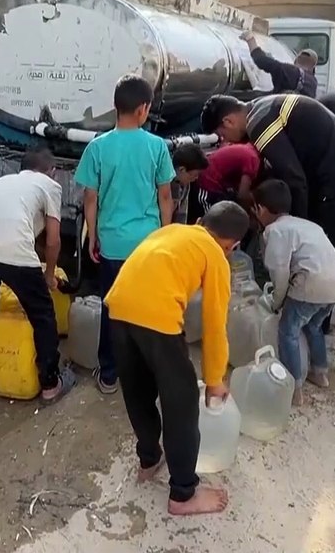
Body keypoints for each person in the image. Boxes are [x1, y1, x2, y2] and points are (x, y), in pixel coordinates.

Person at [104, 201, 250, 516]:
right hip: (157, 318)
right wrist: (214, 380)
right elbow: (215, 325)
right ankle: (183, 494)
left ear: (200, 221)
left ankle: (149, 459)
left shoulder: (173, 231)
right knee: (181, 404)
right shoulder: (216, 256)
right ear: (232, 245)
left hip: (116, 308)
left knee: (139, 392)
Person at [200, 92, 335, 331]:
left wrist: (296, 225)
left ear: (228, 121)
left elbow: (294, 179)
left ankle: (313, 328)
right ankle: (314, 324)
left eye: (223, 135)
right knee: (321, 250)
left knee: (319, 251)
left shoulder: (259, 122)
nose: (228, 141)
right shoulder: (264, 105)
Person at [74, 75, 176, 394]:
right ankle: (146, 372)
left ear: (116, 107)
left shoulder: (98, 147)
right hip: (147, 245)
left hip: (113, 245)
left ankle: (109, 373)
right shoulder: (157, 146)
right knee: (148, 308)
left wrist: (92, 237)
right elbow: (165, 198)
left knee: (112, 307)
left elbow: (90, 198)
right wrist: (165, 236)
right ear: (143, 109)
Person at [0, 146, 77, 401]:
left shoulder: (3, 182)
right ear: (53, 171)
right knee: (42, 312)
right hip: (11, 249)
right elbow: (53, 241)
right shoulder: (50, 185)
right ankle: (50, 383)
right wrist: (48, 274)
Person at [252, 181, 335, 405]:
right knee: (313, 326)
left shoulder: (275, 231)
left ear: (261, 209)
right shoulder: (307, 225)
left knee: (288, 331)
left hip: (311, 283)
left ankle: (294, 388)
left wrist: (276, 302)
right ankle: (320, 373)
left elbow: (279, 273)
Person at [192, 143, 259, 220]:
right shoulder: (253, 158)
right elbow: (242, 195)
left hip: (213, 181)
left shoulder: (245, 147)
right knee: (211, 221)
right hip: (208, 184)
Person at [240, 32, 317, 96]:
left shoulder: (290, 72)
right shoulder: (312, 83)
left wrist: (251, 40)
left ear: (295, 60)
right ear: (313, 68)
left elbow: (262, 61)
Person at [170, 143, 208, 225]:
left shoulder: (185, 184)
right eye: (194, 175)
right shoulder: (163, 184)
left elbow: (182, 214)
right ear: (182, 169)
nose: (196, 178)